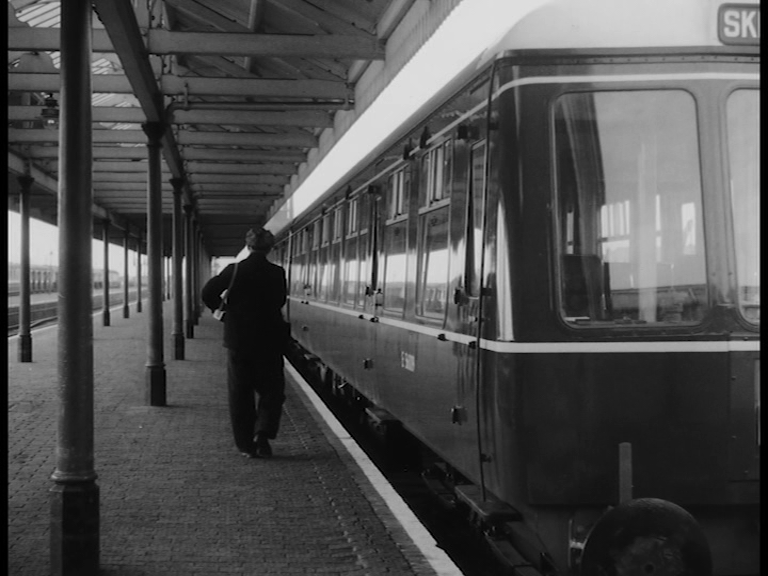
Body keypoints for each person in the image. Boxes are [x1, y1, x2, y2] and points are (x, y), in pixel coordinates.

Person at [202, 227, 288, 459]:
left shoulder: (235, 269)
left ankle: (245, 445)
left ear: (248, 246)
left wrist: (224, 313)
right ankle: (263, 434)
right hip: (269, 339)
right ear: (270, 248)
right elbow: (280, 300)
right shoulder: (277, 272)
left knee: (240, 392)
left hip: (238, 340)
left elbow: (208, 293)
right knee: (272, 390)